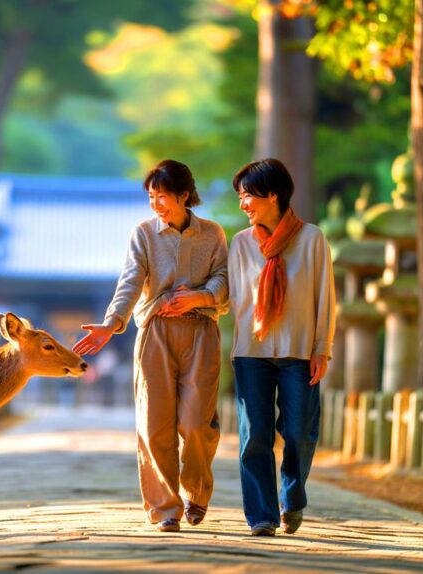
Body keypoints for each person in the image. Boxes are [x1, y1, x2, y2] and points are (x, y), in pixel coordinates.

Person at [72, 159, 228, 533]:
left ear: (185, 195)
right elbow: (130, 281)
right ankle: (165, 509)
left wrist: (200, 297)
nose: (156, 203)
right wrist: (111, 324)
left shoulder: (213, 234)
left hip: (201, 333)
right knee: (154, 424)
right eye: (151, 197)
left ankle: (198, 491)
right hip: (155, 332)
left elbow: (225, 278)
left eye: (162, 196)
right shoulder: (144, 233)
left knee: (195, 424)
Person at [227, 158, 336, 537]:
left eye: (247, 196)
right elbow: (233, 298)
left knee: (299, 432)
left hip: (299, 351)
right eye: (240, 197)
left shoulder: (312, 239)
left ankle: (293, 497)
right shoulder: (241, 244)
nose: (243, 204)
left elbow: (325, 298)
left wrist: (322, 348)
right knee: (254, 435)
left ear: (272, 194)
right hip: (251, 353)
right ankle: (261, 515)